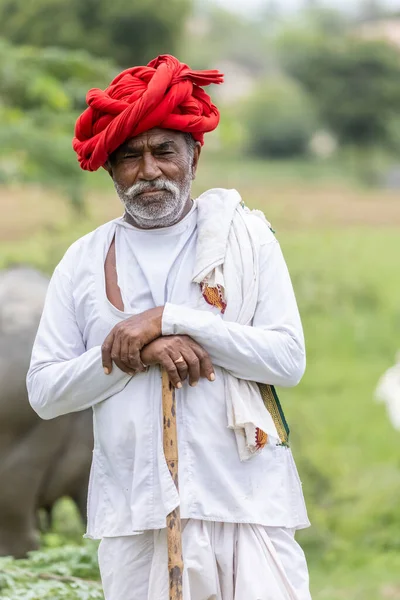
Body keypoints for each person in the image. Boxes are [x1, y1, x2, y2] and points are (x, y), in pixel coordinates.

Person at [27, 54, 312, 600]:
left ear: (194, 156)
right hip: (136, 519)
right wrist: (135, 350)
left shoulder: (246, 239)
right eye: (130, 157)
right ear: (110, 169)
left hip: (247, 504)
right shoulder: (83, 262)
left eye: (164, 151)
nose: (149, 171)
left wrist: (170, 319)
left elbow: (287, 360)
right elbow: (44, 391)